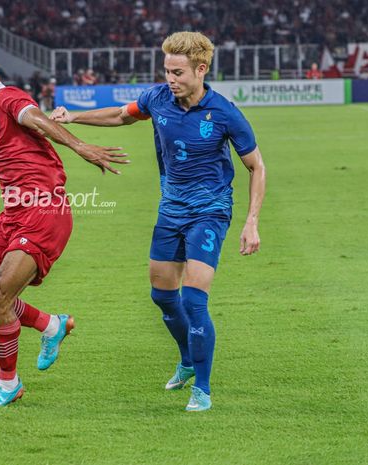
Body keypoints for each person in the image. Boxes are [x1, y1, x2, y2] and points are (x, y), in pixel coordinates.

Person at [50, 31, 266, 412]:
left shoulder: (225, 113)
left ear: (200, 70)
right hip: (171, 210)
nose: (170, 78)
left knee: (194, 300)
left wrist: (251, 222)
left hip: (210, 211)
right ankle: (186, 360)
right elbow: (120, 114)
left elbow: (256, 167)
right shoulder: (157, 98)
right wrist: (74, 116)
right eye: (166, 69)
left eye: (178, 72)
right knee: (163, 296)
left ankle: (203, 388)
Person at [0, 48, 128, 408]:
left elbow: (33, 117)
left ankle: (8, 384)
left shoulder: (6, 98)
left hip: (43, 209)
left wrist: (81, 146)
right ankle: (51, 325)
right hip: (13, 212)